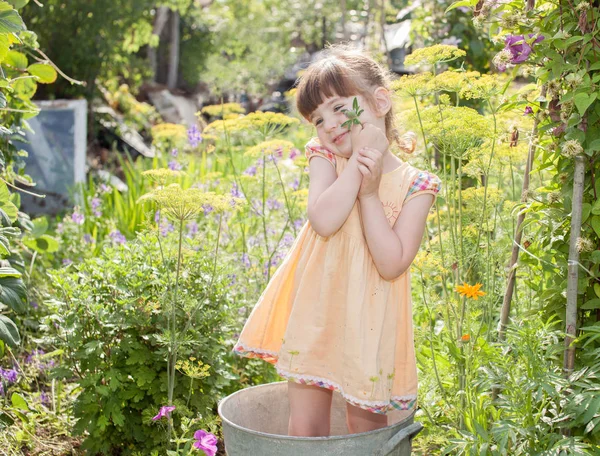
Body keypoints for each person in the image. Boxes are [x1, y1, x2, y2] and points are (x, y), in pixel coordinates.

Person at [233, 45, 441, 438]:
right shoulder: (325, 159)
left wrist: (369, 194)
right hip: (317, 311)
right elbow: (325, 220)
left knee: (365, 430)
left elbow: (391, 263)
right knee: (305, 425)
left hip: (369, 324)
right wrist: (359, 170)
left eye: (341, 108)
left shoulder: (418, 185)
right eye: (317, 119)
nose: (329, 125)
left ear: (379, 101)